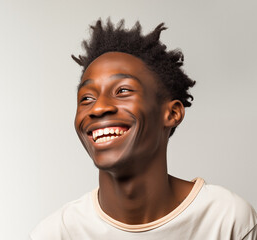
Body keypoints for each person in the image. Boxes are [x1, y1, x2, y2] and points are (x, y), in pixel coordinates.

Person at [30, 19, 257, 240]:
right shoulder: (56, 234)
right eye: (87, 98)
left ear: (172, 114)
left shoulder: (228, 222)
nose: (98, 108)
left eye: (122, 91)